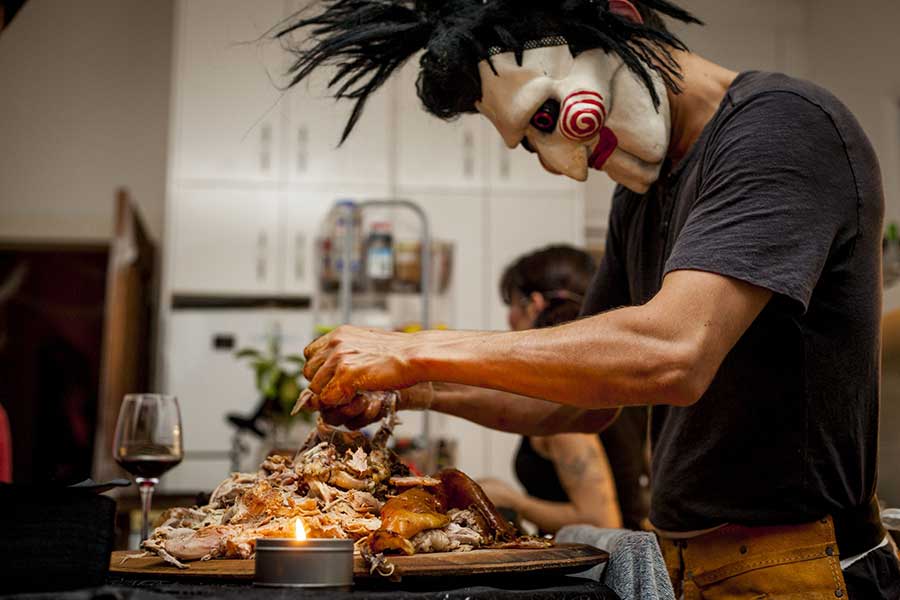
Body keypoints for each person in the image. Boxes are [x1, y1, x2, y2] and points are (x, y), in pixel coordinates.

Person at [279, 1, 900, 596]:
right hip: (691, 563)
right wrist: (417, 389)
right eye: (530, 143)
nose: (562, 165)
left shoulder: (782, 126)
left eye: (548, 118)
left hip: (799, 567)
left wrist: (414, 349)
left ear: (621, 19)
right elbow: (581, 404)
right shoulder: (641, 194)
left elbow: (675, 352)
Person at [478, 244, 649, 534]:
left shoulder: (562, 398)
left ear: (533, 305)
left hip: (602, 570)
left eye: (511, 304)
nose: (508, 320)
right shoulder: (615, 378)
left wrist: (513, 501)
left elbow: (601, 521)